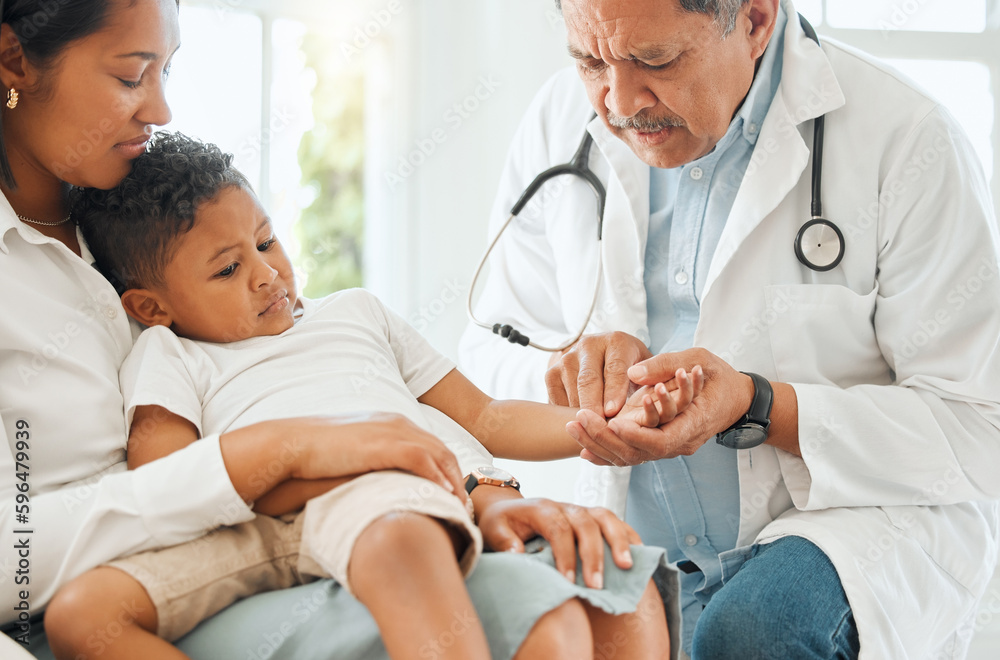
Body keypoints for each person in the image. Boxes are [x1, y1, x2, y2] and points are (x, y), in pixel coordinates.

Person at [0, 2, 675, 658]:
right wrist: (300, 452)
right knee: (537, 617)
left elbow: (477, 416)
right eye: (129, 74)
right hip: (237, 533)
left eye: (266, 243)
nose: (161, 109)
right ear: (13, 60)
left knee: (617, 590)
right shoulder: (165, 345)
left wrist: (558, 450)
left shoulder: (325, 308)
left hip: (388, 500)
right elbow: (168, 481)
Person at [459, 0, 1000, 658]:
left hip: (844, 527)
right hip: (628, 533)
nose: (619, 101)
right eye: (590, 60)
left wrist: (757, 403)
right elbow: (486, 355)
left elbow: (979, 425)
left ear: (754, 20)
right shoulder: (556, 121)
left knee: (752, 632)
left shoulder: (904, 138)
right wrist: (576, 375)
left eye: (656, 60)